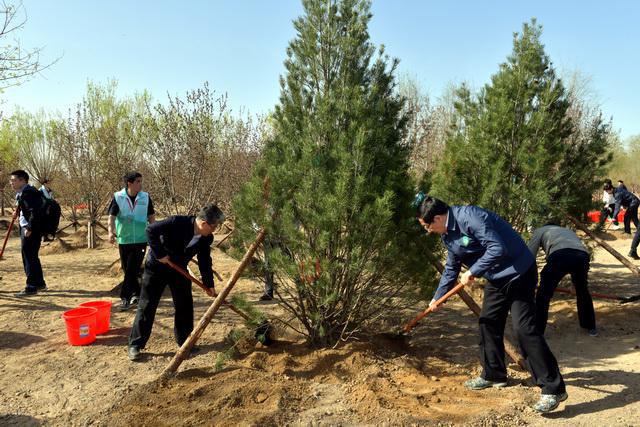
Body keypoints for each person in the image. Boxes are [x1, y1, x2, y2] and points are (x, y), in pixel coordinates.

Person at [416, 194, 566, 413]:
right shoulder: (447, 235)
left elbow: (497, 248)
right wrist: (438, 297)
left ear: (438, 218)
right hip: (496, 278)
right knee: (488, 323)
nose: (427, 230)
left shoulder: (471, 218)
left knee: (524, 330)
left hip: (518, 272)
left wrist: (474, 271)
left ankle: (553, 388)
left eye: (427, 226)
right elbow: (451, 267)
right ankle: (494, 374)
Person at [127, 203, 223, 361]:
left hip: (179, 270)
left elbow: (205, 260)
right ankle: (135, 344)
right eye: (214, 227)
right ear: (204, 223)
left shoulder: (206, 238)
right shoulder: (177, 222)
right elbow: (150, 230)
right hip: (157, 267)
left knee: (184, 305)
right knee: (147, 304)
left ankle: (185, 343)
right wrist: (160, 253)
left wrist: (209, 284)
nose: (214, 230)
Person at [528, 224, 597, 336]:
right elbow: (575, 250)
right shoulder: (567, 231)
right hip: (582, 256)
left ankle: (538, 331)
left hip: (559, 256)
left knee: (543, 295)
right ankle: (590, 327)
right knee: (583, 291)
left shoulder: (539, 230)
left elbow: (530, 256)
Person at [107, 172, 156, 311]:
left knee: (133, 268)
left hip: (141, 239)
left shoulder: (145, 197)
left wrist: (153, 234)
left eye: (141, 181)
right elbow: (111, 216)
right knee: (127, 268)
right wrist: (110, 232)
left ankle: (125, 298)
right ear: (129, 183)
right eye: (138, 181)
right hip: (124, 239)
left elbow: (151, 216)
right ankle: (136, 294)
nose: (140, 184)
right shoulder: (118, 197)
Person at [9, 170, 48, 296]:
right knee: (32, 256)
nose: (11, 183)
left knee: (28, 257)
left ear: (22, 180)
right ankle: (40, 284)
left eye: (14, 180)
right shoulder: (23, 192)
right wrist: (18, 212)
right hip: (28, 227)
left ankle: (31, 287)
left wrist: (29, 228)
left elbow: (34, 212)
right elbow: (26, 208)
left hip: (30, 229)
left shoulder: (28, 193)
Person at [605, 183, 640, 253]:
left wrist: (614, 217)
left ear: (611, 189)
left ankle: (627, 232)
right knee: (634, 218)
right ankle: (638, 231)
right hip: (634, 202)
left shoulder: (617, 193)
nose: (607, 192)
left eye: (607, 191)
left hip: (633, 202)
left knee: (626, 217)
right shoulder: (616, 190)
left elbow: (617, 207)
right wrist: (624, 206)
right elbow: (623, 198)